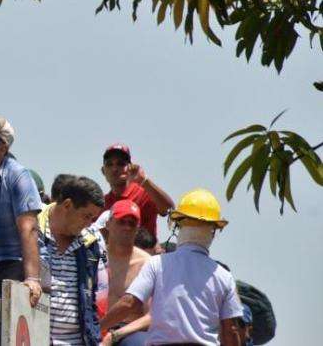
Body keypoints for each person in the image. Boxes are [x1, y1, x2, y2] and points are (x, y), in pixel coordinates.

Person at [101, 188, 244, 345]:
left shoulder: (157, 264)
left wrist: (98, 329)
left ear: (177, 226)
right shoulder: (224, 277)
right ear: (213, 231)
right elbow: (231, 330)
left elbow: (129, 303)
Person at [0, 113, 42, 305]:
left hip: (11, 263)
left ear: (2, 146)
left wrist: (32, 279)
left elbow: (29, 227)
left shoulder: (18, 175)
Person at [38, 175, 106, 346]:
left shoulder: (90, 244)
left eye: (93, 219)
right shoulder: (32, 231)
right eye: (86, 216)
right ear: (67, 205)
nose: (89, 224)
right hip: (32, 337)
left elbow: (92, 302)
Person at [99, 200, 151, 346]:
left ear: (138, 228)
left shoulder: (147, 263)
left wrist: (115, 335)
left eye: (132, 223)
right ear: (108, 224)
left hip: (129, 332)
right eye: (121, 221)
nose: (127, 227)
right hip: (93, 327)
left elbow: (151, 316)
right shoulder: (95, 257)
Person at [100, 144, 174, 243]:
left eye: (120, 164)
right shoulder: (101, 203)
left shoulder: (144, 193)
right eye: (109, 164)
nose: (115, 169)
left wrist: (144, 181)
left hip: (144, 256)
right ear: (103, 171)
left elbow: (168, 209)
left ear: (130, 168)